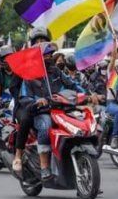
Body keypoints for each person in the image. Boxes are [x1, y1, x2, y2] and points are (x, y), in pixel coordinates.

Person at [12, 42, 80, 179]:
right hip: (41, 112)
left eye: (51, 55)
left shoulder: (56, 71)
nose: (49, 57)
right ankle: (44, 167)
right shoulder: (29, 76)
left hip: (60, 110)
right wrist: (36, 101)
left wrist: (89, 94)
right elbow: (24, 97)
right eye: (46, 55)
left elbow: (72, 85)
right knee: (46, 126)